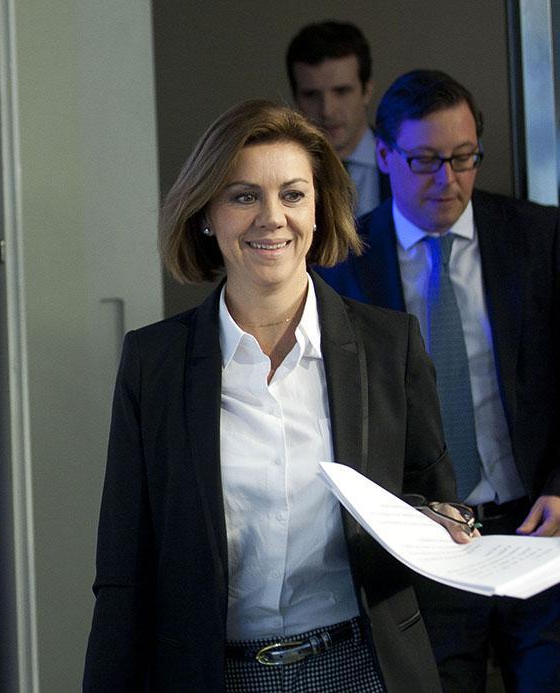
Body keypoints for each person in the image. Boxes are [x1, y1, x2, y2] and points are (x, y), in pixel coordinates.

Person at [83, 100, 474, 692]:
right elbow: (123, 572)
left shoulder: (388, 346)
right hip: (215, 676)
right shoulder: (153, 364)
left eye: (293, 195)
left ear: (318, 210)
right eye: (244, 196)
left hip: (363, 670)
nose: (273, 218)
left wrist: (438, 521)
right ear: (207, 214)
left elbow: (438, 507)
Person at [318, 69, 560, 692]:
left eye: (464, 157)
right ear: (384, 154)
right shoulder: (344, 264)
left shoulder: (538, 237)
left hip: (536, 527)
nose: (447, 180)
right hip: (427, 542)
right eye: (425, 161)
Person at [287, 20, 389, 215]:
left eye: (341, 91)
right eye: (311, 95)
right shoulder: (281, 171)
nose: (327, 111)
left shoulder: (407, 163)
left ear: (367, 91)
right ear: (296, 99)